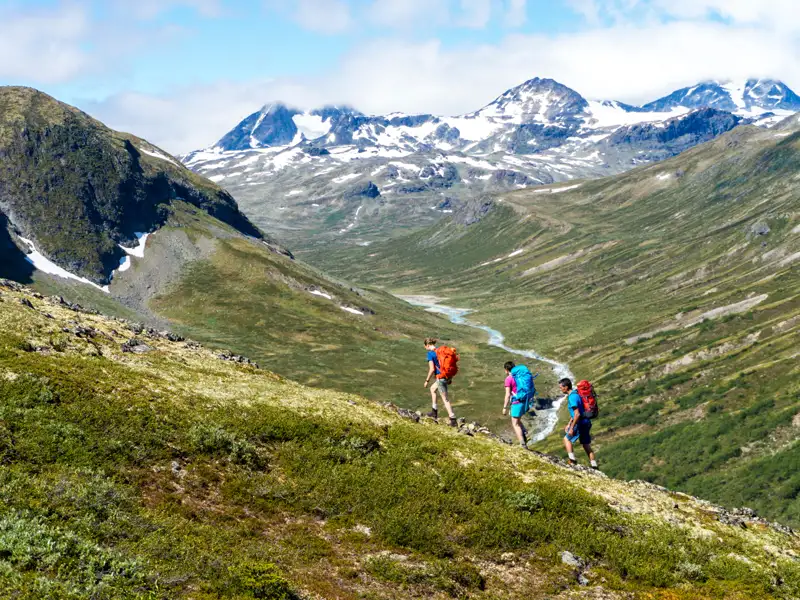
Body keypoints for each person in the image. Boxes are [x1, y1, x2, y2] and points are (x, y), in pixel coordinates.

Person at [560, 377, 598, 469]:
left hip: (579, 422)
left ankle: (572, 460)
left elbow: (576, 414)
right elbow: (577, 412)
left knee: (567, 439)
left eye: (561, 387)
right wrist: (569, 423)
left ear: (566, 387)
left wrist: (572, 428)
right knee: (585, 444)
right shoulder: (577, 394)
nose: (560, 389)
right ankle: (594, 465)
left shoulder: (572, 397)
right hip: (586, 422)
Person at [423, 338, 458, 427]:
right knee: (432, 389)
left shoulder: (430, 354)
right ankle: (434, 412)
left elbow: (432, 369)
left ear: (427, 345)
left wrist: (427, 380)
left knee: (445, 399)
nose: (425, 348)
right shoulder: (439, 351)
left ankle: (453, 419)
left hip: (441, 378)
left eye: (425, 347)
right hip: (447, 376)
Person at [502, 361, 532, 449]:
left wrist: (504, 407)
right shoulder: (520, 376)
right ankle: (525, 433)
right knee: (517, 420)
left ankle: (523, 444)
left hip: (516, 403)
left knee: (515, 424)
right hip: (524, 401)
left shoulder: (509, 379)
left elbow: (507, 394)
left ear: (506, 370)